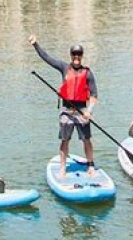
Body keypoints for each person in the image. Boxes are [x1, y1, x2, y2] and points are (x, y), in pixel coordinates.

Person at [29, 35, 98, 177]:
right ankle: (62, 168)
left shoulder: (88, 73)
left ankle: (90, 165)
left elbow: (94, 95)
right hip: (67, 111)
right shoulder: (64, 67)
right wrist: (35, 44)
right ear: (71, 55)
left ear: (82, 56)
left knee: (86, 139)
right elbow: (47, 58)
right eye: (74, 54)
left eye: (79, 54)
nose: (76, 57)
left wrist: (89, 111)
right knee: (64, 140)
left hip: (82, 111)